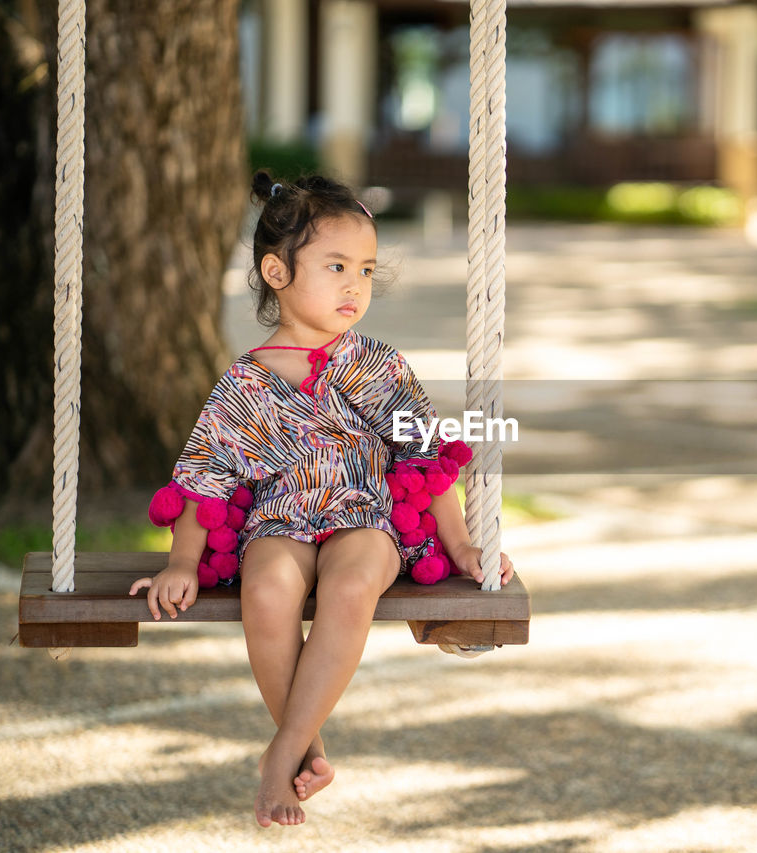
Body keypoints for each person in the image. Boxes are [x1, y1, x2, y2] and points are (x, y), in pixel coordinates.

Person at [129, 171, 514, 828]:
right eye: (336, 266)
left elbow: (427, 462)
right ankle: (305, 745)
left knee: (353, 580)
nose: (354, 285)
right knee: (270, 585)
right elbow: (206, 476)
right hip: (279, 519)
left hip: (364, 517)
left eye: (365, 270)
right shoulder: (245, 381)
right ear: (276, 272)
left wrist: (462, 546)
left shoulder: (376, 365)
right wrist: (180, 562)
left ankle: (279, 754)